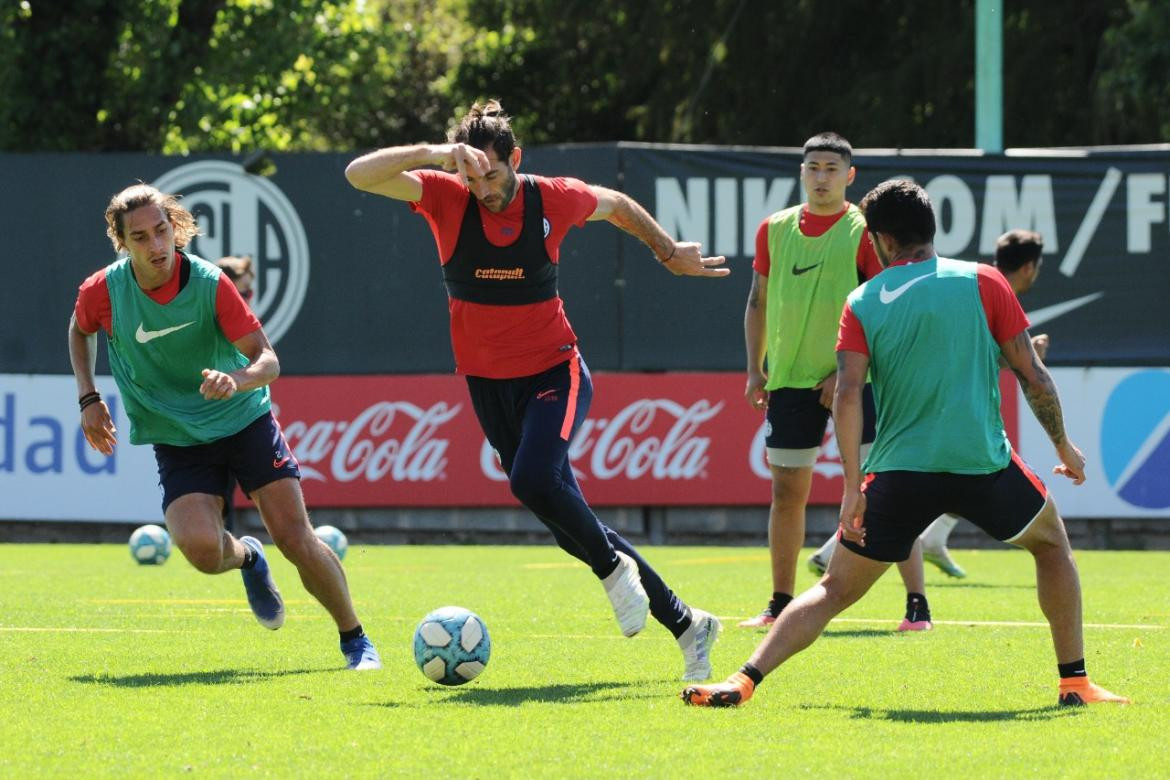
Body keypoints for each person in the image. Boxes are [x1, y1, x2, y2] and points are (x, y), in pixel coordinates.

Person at [682, 179, 1128, 708]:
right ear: (930, 229)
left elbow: (847, 395)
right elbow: (1033, 376)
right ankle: (1075, 684)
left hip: (898, 474)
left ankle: (743, 680)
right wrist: (1063, 448)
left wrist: (853, 487)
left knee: (833, 591)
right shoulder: (984, 280)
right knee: (1052, 546)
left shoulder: (864, 299)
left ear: (880, 241)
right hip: (981, 464)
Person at [344, 100, 727, 680]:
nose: (480, 187)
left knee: (533, 482)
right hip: (486, 385)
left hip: (555, 372)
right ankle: (687, 624)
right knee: (569, 523)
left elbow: (619, 205)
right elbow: (357, 174)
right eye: (469, 175)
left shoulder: (553, 197)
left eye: (491, 174)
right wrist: (435, 155)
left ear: (515, 159)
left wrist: (669, 253)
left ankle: (613, 574)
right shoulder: (444, 194)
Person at [69, 184, 380, 671]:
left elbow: (268, 360)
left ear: (176, 228)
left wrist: (235, 379)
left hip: (243, 419)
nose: (156, 246)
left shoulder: (211, 283)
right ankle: (249, 558)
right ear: (122, 243)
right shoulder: (103, 291)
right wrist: (88, 396)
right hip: (176, 437)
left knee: (296, 538)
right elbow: (79, 328)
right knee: (200, 550)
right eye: (141, 237)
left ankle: (355, 640)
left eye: (161, 231)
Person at [741, 132, 932, 633]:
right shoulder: (774, 229)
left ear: (849, 176)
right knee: (787, 492)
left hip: (855, 381)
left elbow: (882, 304)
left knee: (886, 490)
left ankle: (917, 606)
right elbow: (758, 300)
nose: (820, 176)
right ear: (801, 172)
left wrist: (846, 371)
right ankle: (780, 602)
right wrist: (754, 369)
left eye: (831, 168)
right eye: (812, 167)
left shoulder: (862, 231)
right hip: (788, 382)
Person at [811, 228, 1052, 580]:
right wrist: (1026, 362)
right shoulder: (977, 286)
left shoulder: (972, 282)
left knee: (837, 587)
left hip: (929, 431)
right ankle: (894, 576)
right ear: (1030, 267)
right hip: (933, 427)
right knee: (1050, 540)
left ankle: (930, 544)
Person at [213, 254, 256, 534]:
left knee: (267, 485)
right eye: (242, 291)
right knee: (218, 486)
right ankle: (220, 541)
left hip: (244, 412)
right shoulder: (211, 318)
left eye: (249, 291)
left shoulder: (247, 325)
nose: (247, 297)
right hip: (215, 412)